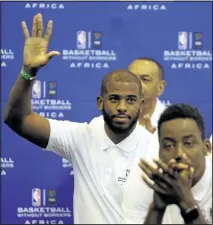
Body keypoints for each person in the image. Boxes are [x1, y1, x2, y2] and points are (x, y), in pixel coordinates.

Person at [4, 13, 156, 224]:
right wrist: (28, 72)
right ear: (100, 103)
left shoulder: (155, 150)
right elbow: (17, 120)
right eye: (114, 99)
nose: (122, 107)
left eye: (130, 100)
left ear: (140, 104)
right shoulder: (81, 138)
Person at [122, 104, 212, 224]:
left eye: (188, 143)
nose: (179, 154)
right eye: (169, 146)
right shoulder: (144, 183)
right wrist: (156, 209)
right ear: (159, 153)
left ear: (206, 148)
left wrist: (187, 202)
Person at [128, 57, 167, 133]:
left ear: (160, 87)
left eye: (145, 79)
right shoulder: (108, 123)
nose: (136, 84)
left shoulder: (174, 122)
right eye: (131, 78)